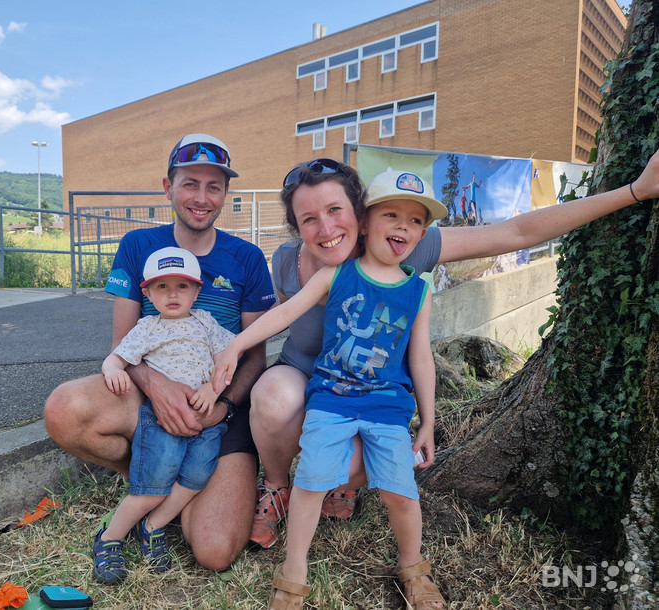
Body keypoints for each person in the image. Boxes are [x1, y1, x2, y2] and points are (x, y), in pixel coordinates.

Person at [247, 150, 659, 552]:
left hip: (369, 393)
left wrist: (634, 191)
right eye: (309, 219)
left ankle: (343, 482)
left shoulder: (400, 244)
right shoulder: (287, 260)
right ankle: (278, 485)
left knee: (357, 458)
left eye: (336, 210)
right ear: (296, 227)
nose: (326, 227)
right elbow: (283, 321)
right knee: (274, 397)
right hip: (308, 379)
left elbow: (515, 233)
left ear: (361, 211)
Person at [212, 169, 448, 609]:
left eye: (416, 221)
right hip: (330, 401)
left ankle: (413, 567)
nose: (403, 227)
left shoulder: (419, 289)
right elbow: (283, 315)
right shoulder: (337, 274)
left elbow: (420, 358)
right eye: (391, 214)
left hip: (387, 409)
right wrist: (237, 345)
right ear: (365, 217)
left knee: (401, 492)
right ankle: (293, 573)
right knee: (310, 483)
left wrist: (429, 422)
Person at [44, 133, 276, 571]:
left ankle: (169, 491)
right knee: (64, 409)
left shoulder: (247, 258)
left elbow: (255, 358)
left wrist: (222, 406)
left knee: (214, 551)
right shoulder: (136, 246)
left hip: (217, 407)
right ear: (167, 187)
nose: (202, 198)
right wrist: (158, 386)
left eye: (214, 186)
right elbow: (123, 345)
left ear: (226, 193)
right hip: (148, 394)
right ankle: (154, 479)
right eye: (190, 183)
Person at [93, 246, 236, 584]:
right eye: (162, 287)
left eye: (182, 286)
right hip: (162, 422)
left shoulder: (206, 322)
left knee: (195, 479)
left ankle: (153, 526)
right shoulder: (148, 327)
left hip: (205, 421)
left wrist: (213, 391)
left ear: (197, 290)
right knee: (152, 488)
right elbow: (117, 358)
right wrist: (112, 370)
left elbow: (227, 360)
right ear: (147, 293)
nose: (173, 294)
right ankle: (109, 537)